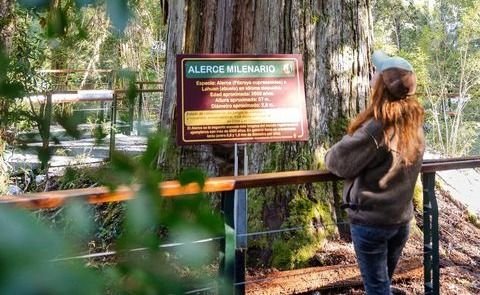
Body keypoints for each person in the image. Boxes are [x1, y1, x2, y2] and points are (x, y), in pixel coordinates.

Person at [324, 51, 425, 295]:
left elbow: (337, 162)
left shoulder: (376, 128)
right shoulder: (414, 122)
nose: (370, 76)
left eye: (375, 73)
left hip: (372, 223)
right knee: (382, 285)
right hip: (400, 220)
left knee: (377, 289)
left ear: (380, 85)